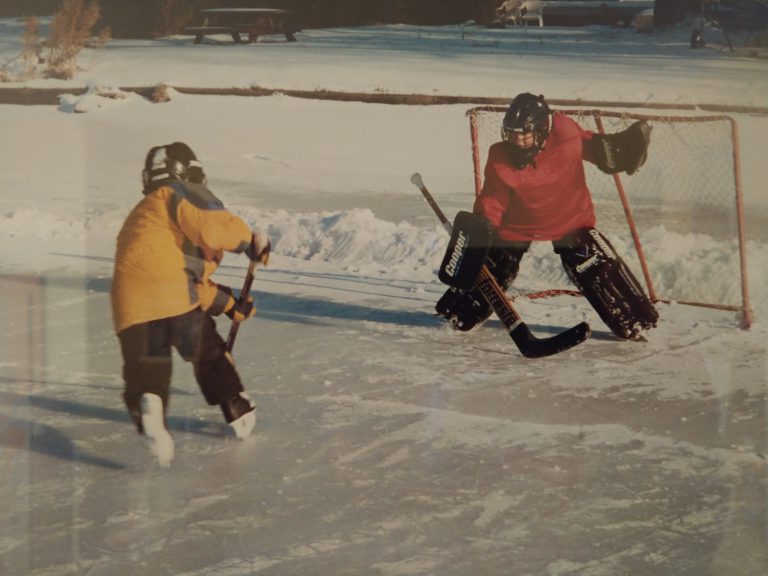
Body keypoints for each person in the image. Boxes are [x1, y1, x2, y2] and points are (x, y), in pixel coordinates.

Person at [436, 93, 658, 341]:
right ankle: (456, 313)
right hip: (517, 226)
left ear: (542, 131)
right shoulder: (501, 158)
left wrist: (624, 149)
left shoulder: (565, 132)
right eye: (512, 134)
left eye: (525, 135)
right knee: (494, 269)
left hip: (571, 220)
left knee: (599, 269)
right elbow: (493, 202)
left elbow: (595, 147)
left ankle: (636, 320)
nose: (518, 141)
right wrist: (479, 240)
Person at [110, 142, 270, 467]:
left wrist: (229, 305)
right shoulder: (177, 193)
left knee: (148, 370)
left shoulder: (144, 217)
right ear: (189, 172)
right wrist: (248, 242)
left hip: (130, 304)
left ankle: (150, 405)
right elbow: (215, 226)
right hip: (174, 298)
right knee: (208, 352)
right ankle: (234, 406)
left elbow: (187, 278)